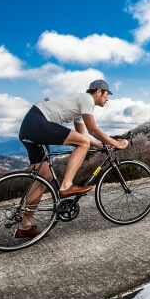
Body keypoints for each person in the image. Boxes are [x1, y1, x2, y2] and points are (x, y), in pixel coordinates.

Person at [16, 79, 128, 238]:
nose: (107, 99)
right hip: (38, 121)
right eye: (107, 94)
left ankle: (24, 226)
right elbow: (93, 130)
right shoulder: (87, 99)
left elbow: (84, 136)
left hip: (30, 127)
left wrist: (102, 146)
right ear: (98, 91)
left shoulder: (80, 107)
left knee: (43, 178)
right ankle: (66, 186)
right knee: (81, 144)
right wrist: (115, 143)